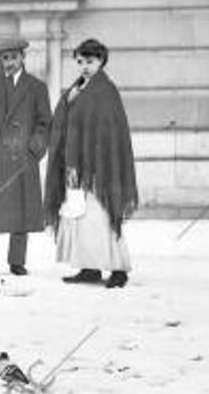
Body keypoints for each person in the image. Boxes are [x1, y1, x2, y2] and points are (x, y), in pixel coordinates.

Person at [44, 38, 138, 289]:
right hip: (76, 165)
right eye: (80, 62)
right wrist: (67, 101)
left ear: (101, 61)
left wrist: (96, 162)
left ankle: (119, 270)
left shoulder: (105, 91)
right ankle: (89, 267)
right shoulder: (78, 88)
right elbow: (63, 122)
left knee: (103, 216)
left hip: (99, 167)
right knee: (79, 217)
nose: (85, 66)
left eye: (91, 61)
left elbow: (109, 130)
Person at [0, 37, 52, 277]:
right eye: (4, 58)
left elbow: (44, 123)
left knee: (21, 209)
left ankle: (17, 262)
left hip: (22, 159)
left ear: (22, 58)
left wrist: (34, 149)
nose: (9, 62)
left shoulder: (37, 87)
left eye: (13, 57)